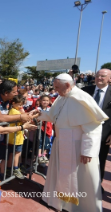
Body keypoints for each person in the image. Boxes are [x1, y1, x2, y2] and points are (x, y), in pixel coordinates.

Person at [35, 73, 107, 212]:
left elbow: (93, 127)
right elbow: (53, 116)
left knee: (79, 179)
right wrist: (39, 115)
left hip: (77, 146)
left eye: (57, 87)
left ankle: (77, 208)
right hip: (60, 142)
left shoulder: (81, 98)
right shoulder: (62, 97)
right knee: (58, 174)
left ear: (67, 85)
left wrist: (87, 151)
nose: (55, 90)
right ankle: (57, 202)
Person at [82, 68, 111, 186]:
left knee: (100, 160)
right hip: (84, 132)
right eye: (98, 75)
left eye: (103, 76)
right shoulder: (84, 91)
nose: (99, 78)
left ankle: (96, 186)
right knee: (82, 158)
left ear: (109, 78)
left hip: (105, 134)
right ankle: (82, 184)